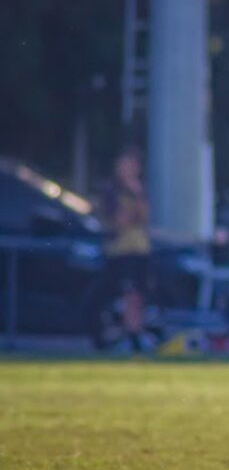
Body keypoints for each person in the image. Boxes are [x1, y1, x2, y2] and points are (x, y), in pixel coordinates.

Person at [96, 145, 152, 351]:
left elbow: (144, 217)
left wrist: (137, 197)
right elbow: (121, 221)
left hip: (139, 250)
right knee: (124, 295)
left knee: (137, 296)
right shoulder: (112, 190)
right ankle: (125, 337)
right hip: (119, 251)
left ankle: (136, 335)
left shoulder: (139, 190)